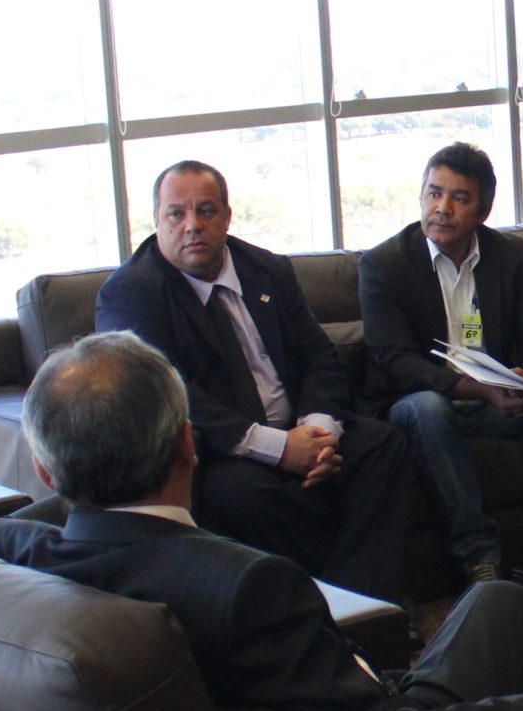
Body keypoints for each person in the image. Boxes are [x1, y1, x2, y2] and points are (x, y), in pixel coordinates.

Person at [0, 332, 523, 711]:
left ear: (44, 470)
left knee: (492, 603)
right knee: (505, 609)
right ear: (187, 442)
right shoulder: (249, 584)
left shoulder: (7, 552)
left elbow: (2, 527)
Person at [97, 160, 418, 604]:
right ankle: (316, 606)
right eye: (176, 213)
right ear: (156, 220)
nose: (192, 225)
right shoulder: (132, 293)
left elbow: (318, 356)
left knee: (385, 446)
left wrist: (318, 432)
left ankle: (365, 609)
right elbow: (172, 395)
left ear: (227, 216)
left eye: (206, 211)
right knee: (241, 495)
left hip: (302, 428)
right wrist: (279, 448)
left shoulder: (267, 269)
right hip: (222, 449)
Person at [358, 142, 523, 583]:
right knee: (427, 407)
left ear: (483, 210)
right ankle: (478, 555)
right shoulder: (384, 264)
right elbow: (394, 360)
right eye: (434, 193)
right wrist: (478, 389)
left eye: (459, 198)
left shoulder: (510, 255)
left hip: (498, 401)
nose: (442, 208)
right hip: (427, 404)